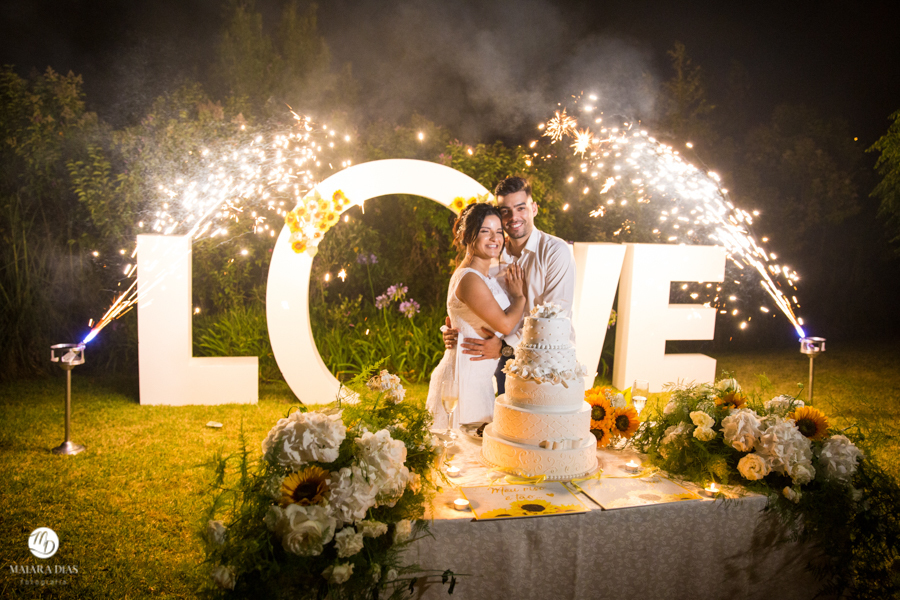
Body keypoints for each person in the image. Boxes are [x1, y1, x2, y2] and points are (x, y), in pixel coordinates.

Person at [442, 177, 576, 394]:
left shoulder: (554, 252)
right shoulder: (491, 254)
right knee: (502, 414)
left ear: (534, 208)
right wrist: (459, 329)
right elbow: (475, 299)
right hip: (502, 363)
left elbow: (555, 317)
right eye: (506, 211)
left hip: (546, 362)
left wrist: (505, 346)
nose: (514, 217)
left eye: (521, 208)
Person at [426, 203, 526, 428]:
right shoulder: (470, 278)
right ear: (467, 235)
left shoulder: (484, 275)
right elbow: (506, 325)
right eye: (485, 231)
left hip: (478, 380)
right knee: (458, 446)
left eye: (498, 231)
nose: (494, 238)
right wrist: (519, 298)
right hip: (462, 381)